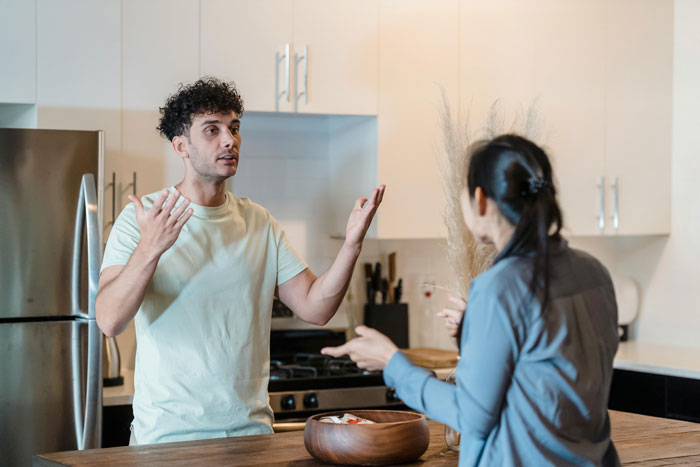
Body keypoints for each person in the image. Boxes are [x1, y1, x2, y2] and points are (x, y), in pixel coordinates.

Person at [96, 77, 385, 445]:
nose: (229, 140)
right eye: (212, 130)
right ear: (181, 146)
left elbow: (316, 308)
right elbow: (108, 320)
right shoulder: (145, 218)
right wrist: (151, 248)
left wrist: (351, 245)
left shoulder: (258, 222)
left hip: (251, 436)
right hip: (168, 441)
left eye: (234, 128)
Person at [323, 135, 620, 466]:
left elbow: (472, 415)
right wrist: (476, 329)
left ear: (479, 199)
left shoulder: (499, 287)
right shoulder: (595, 272)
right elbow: (551, 375)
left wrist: (392, 363)